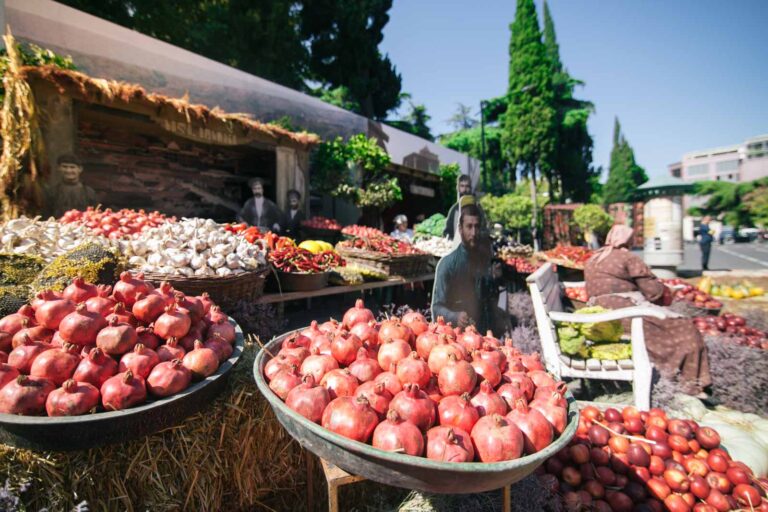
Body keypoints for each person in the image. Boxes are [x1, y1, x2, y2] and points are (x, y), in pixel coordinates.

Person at [584, 225, 712, 398]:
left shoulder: (593, 259)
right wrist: (668, 291)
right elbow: (654, 292)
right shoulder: (627, 258)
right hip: (624, 317)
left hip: (600, 316)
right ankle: (688, 383)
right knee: (683, 328)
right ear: (628, 240)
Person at [432, 197, 503, 334]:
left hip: (484, 338)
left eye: (477, 226)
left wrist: (494, 279)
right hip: (457, 338)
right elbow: (437, 307)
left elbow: (489, 298)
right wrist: (454, 316)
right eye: (469, 227)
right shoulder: (447, 265)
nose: (474, 233)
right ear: (460, 229)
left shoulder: (484, 260)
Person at [42, 154, 98, 218]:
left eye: (72, 167)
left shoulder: (89, 192)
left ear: (80, 169)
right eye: (64, 167)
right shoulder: (52, 192)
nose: (68, 171)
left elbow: (95, 215)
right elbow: (45, 216)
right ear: (59, 168)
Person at [443, 174, 487, 240]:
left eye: (467, 186)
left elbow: (484, 229)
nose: (465, 189)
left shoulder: (477, 208)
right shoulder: (454, 209)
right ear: (458, 188)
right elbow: (447, 232)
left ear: (470, 188)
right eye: (462, 186)